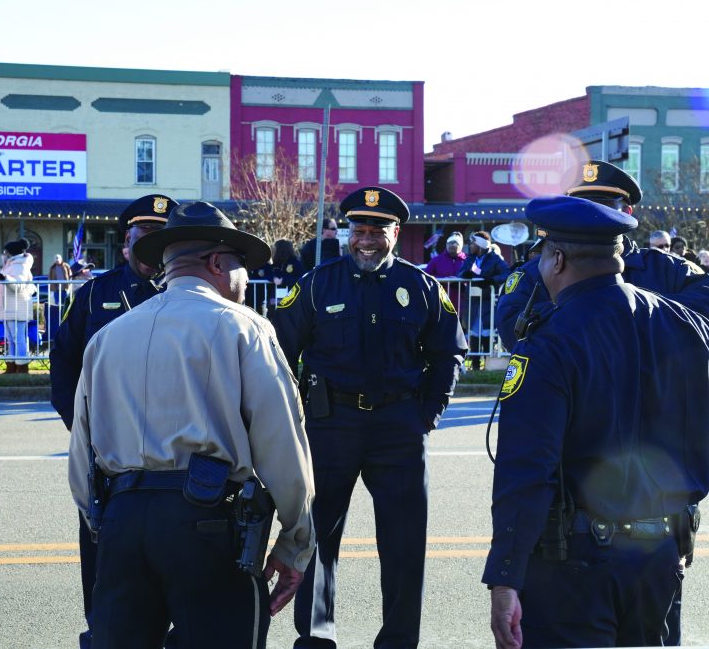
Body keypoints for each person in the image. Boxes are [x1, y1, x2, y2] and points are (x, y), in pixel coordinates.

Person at [69, 201, 316, 648]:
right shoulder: (245, 328)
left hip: (122, 521)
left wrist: (101, 525)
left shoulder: (107, 337)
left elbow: (82, 452)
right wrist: (296, 540)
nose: (245, 279)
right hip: (207, 523)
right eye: (242, 267)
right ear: (218, 263)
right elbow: (282, 443)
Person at [484, 195, 709, 649]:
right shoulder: (687, 325)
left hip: (574, 565)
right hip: (660, 557)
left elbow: (526, 470)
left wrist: (505, 578)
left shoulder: (547, 344)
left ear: (558, 259)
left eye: (544, 256)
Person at [273, 187, 467, 649]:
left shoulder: (422, 287)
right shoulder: (318, 284)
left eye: (377, 231)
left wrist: (428, 414)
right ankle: (316, 637)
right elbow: (278, 354)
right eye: (358, 230)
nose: (366, 240)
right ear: (346, 233)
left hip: (398, 427)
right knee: (318, 536)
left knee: (403, 545)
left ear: (395, 233)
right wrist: (295, 418)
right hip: (329, 424)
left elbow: (449, 354)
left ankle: (399, 641)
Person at [49, 193, 178, 649]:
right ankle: (103, 632)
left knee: (175, 560)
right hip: (109, 458)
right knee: (105, 561)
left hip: (177, 458)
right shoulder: (96, 295)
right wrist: (83, 428)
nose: (152, 248)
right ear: (127, 242)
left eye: (162, 239)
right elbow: (63, 364)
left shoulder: (192, 294)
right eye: (144, 237)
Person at [496, 160, 709, 352]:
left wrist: (640, 311)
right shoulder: (539, 269)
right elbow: (512, 327)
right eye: (580, 208)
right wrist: (600, 317)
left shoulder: (666, 267)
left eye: (603, 208)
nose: (589, 217)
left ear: (626, 213)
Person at [459, 230, 510, 370]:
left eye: (472, 243)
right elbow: (460, 272)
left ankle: (487, 365)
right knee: (474, 332)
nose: (470, 246)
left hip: (487, 301)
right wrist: (465, 274)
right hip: (473, 302)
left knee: (487, 331)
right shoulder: (469, 259)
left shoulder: (495, 259)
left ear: (480, 245)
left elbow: (507, 273)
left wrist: (491, 280)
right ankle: (475, 366)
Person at [0, 239, 36, 374]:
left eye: (6, 252)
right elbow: (0, 290)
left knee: (18, 339)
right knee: (11, 339)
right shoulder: (10, 266)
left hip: (16, 308)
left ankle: (21, 367)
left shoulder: (20, 266)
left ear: (11, 253)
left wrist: (6, 279)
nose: (4, 254)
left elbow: (19, 286)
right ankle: (11, 366)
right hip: (8, 308)